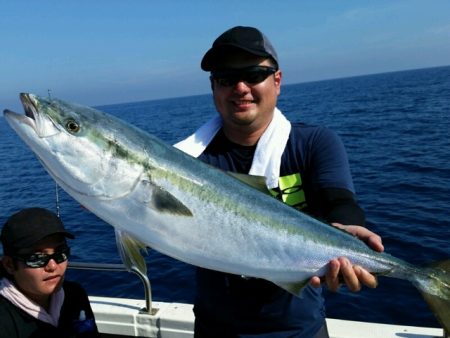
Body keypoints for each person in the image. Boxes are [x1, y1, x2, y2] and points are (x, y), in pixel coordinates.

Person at [175, 26, 384, 338]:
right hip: (214, 330)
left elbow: (338, 200)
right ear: (213, 87)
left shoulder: (313, 143)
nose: (240, 87)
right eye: (226, 78)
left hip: (300, 331)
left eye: (254, 74)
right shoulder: (188, 162)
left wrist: (346, 227)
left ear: (277, 81)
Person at [0, 207, 100, 338]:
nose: (52, 266)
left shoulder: (75, 294)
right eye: (37, 258)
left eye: (60, 253)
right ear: (9, 265)